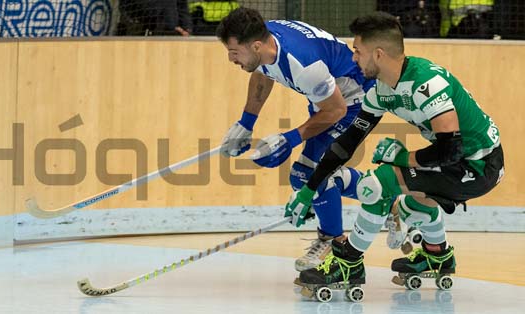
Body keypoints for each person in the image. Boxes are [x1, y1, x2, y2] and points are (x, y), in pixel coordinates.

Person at [289, 11, 504, 296]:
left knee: (377, 184)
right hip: (460, 163)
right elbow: (346, 144)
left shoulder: (427, 84)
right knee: (416, 201)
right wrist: (310, 188)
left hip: (479, 166)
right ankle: (437, 255)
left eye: (357, 51)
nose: (353, 58)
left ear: (377, 54)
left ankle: (348, 263)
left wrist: (403, 158)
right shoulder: (381, 91)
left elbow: (449, 150)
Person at [216, 8, 376, 271]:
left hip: (353, 103)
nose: (231, 59)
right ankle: (383, 196)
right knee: (305, 176)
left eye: (234, 52)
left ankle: (335, 246)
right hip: (328, 97)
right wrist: (247, 122)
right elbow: (263, 70)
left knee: (308, 175)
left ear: (256, 46)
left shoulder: (303, 65)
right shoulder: (264, 42)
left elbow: (336, 111)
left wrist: (289, 138)